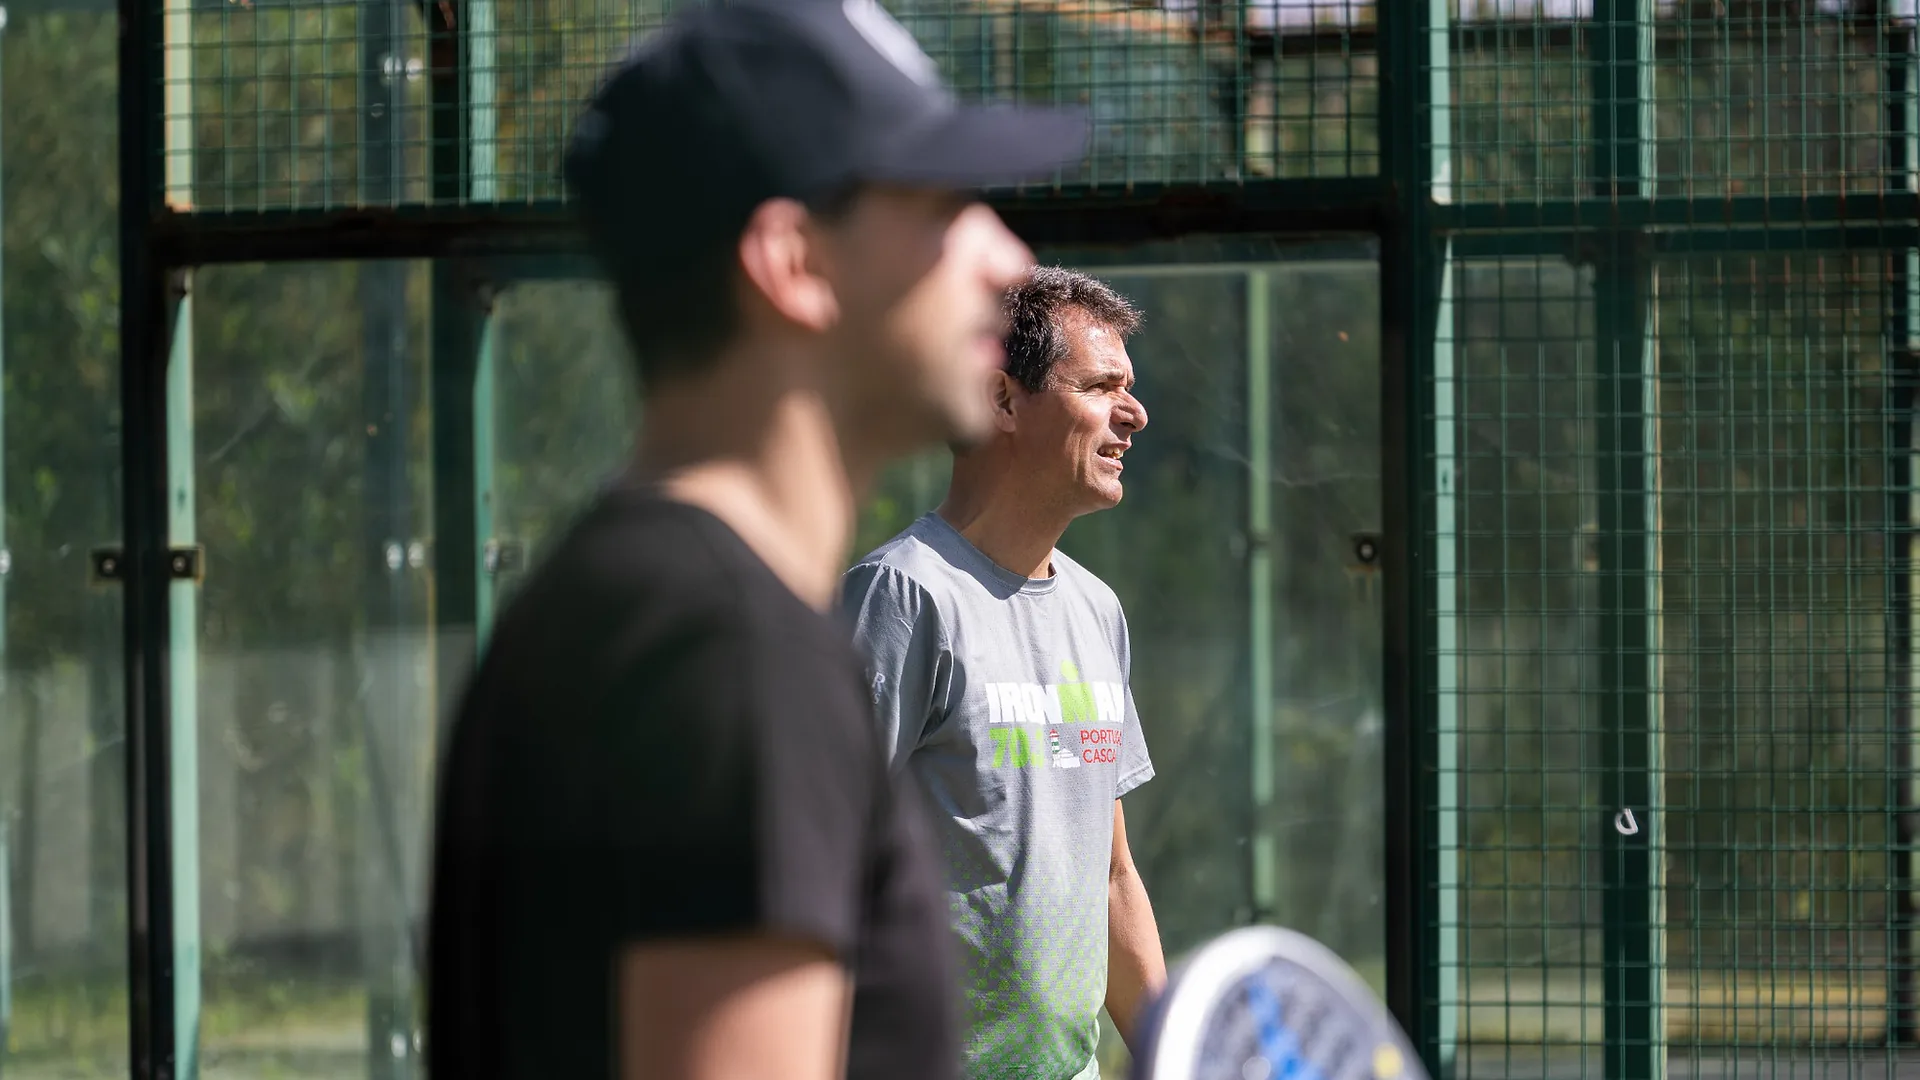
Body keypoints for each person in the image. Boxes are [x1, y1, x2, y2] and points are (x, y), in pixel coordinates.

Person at [422, 1, 1092, 1078]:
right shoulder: (734, 654)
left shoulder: (625, 606)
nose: (1009, 260)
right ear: (793, 262)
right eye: (940, 203)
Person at [839, 265, 1167, 1080]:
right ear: (1002, 400)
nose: (1134, 413)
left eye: (1129, 388)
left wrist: (1177, 1056)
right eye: (1101, 386)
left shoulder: (1097, 610)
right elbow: (811, 863)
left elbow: (1111, 878)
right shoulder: (902, 596)